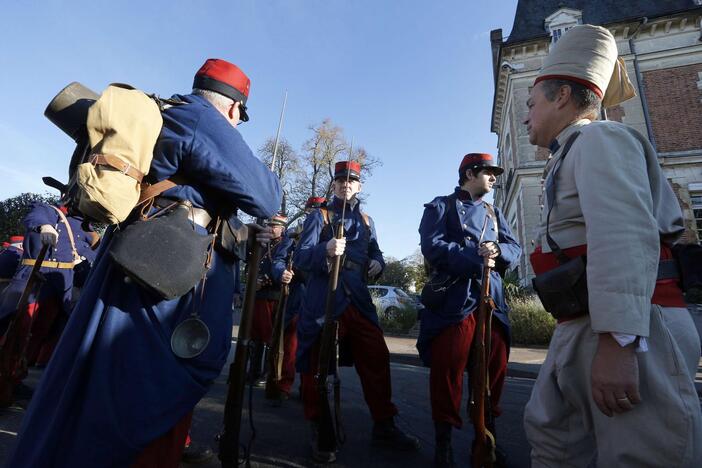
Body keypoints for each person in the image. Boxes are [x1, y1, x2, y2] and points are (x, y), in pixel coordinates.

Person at [8, 58, 282, 467]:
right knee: (142, 393)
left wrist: (242, 233)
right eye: (240, 116)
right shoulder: (202, 118)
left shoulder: (172, 114)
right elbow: (268, 196)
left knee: (107, 386)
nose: (238, 124)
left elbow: (198, 202)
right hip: (167, 277)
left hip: (149, 262)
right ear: (233, 108)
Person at [522, 25, 702, 467]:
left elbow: (623, 232)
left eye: (531, 104)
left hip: (628, 327)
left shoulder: (600, 139)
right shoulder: (572, 150)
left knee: (641, 453)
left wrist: (618, 343)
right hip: (587, 322)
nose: (526, 116)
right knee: (555, 441)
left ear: (561, 97)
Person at [294, 161, 419, 463]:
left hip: (357, 298)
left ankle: (384, 424)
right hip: (325, 295)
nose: (345, 184)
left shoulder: (366, 220)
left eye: (351, 180)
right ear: (333, 185)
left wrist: (379, 263)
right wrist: (323, 250)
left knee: (376, 357)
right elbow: (299, 258)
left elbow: (375, 250)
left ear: (359, 186)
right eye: (340, 180)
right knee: (317, 363)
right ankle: (318, 425)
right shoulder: (317, 216)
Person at [417, 153, 521, 467]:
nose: (493, 179)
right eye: (489, 173)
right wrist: (476, 257)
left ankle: (485, 436)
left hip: (491, 300)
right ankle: (444, 445)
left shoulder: (494, 211)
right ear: (470, 173)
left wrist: (498, 250)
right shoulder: (441, 206)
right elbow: (432, 245)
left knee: (494, 369)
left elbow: (514, 248)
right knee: (447, 372)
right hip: (455, 302)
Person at [0, 202, 97, 394]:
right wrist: (45, 226)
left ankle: (14, 380)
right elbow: (34, 217)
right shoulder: (47, 210)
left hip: (61, 287)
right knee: (13, 330)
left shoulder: (87, 227)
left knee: (40, 334)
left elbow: (90, 253)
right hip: (33, 279)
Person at [266, 196, 326, 403]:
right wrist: (282, 272)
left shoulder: (329, 234)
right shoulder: (293, 237)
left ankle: (312, 388)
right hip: (296, 297)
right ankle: (283, 385)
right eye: (312, 209)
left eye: (319, 209)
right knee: (289, 347)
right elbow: (279, 260)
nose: (315, 213)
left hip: (319, 299)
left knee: (317, 349)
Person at [249, 214, 289, 386]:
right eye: (270, 225)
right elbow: (252, 264)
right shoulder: (262, 244)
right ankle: (253, 371)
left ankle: (267, 373)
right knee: (255, 336)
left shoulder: (286, 244)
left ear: (282, 228)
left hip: (273, 295)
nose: (272, 229)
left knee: (268, 337)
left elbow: (282, 268)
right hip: (257, 295)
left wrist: (263, 281)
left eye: (276, 226)